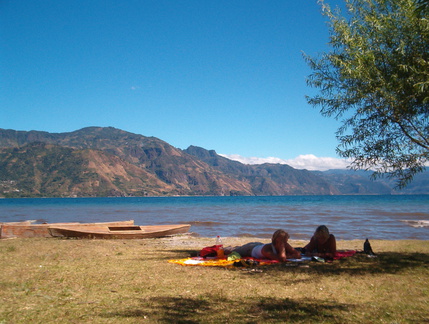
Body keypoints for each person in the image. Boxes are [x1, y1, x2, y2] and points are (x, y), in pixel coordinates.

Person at [226, 229, 301, 262]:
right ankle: (226, 247)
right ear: (277, 240)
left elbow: (297, 254)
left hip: (258, 245)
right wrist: (283, 248)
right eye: (282, 241)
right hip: (250, 249)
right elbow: (281, 259)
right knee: (231, 251)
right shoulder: (266, 250)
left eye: (285, 241)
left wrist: (286, 248)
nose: (285, 243)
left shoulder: (285, 244)